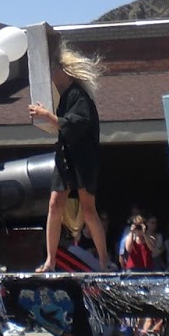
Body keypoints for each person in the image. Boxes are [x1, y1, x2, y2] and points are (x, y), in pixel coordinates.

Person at [30, 41, 109, 272]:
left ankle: (104, 261)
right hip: (66, 156)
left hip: (83, 158)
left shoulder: (79, 96)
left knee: (88, 209)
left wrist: (46, 115)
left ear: (65, 70)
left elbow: (74, 124)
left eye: (54, 70)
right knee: (55, 205)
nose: (52, 76)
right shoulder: (65, 97)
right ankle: (50, 260)